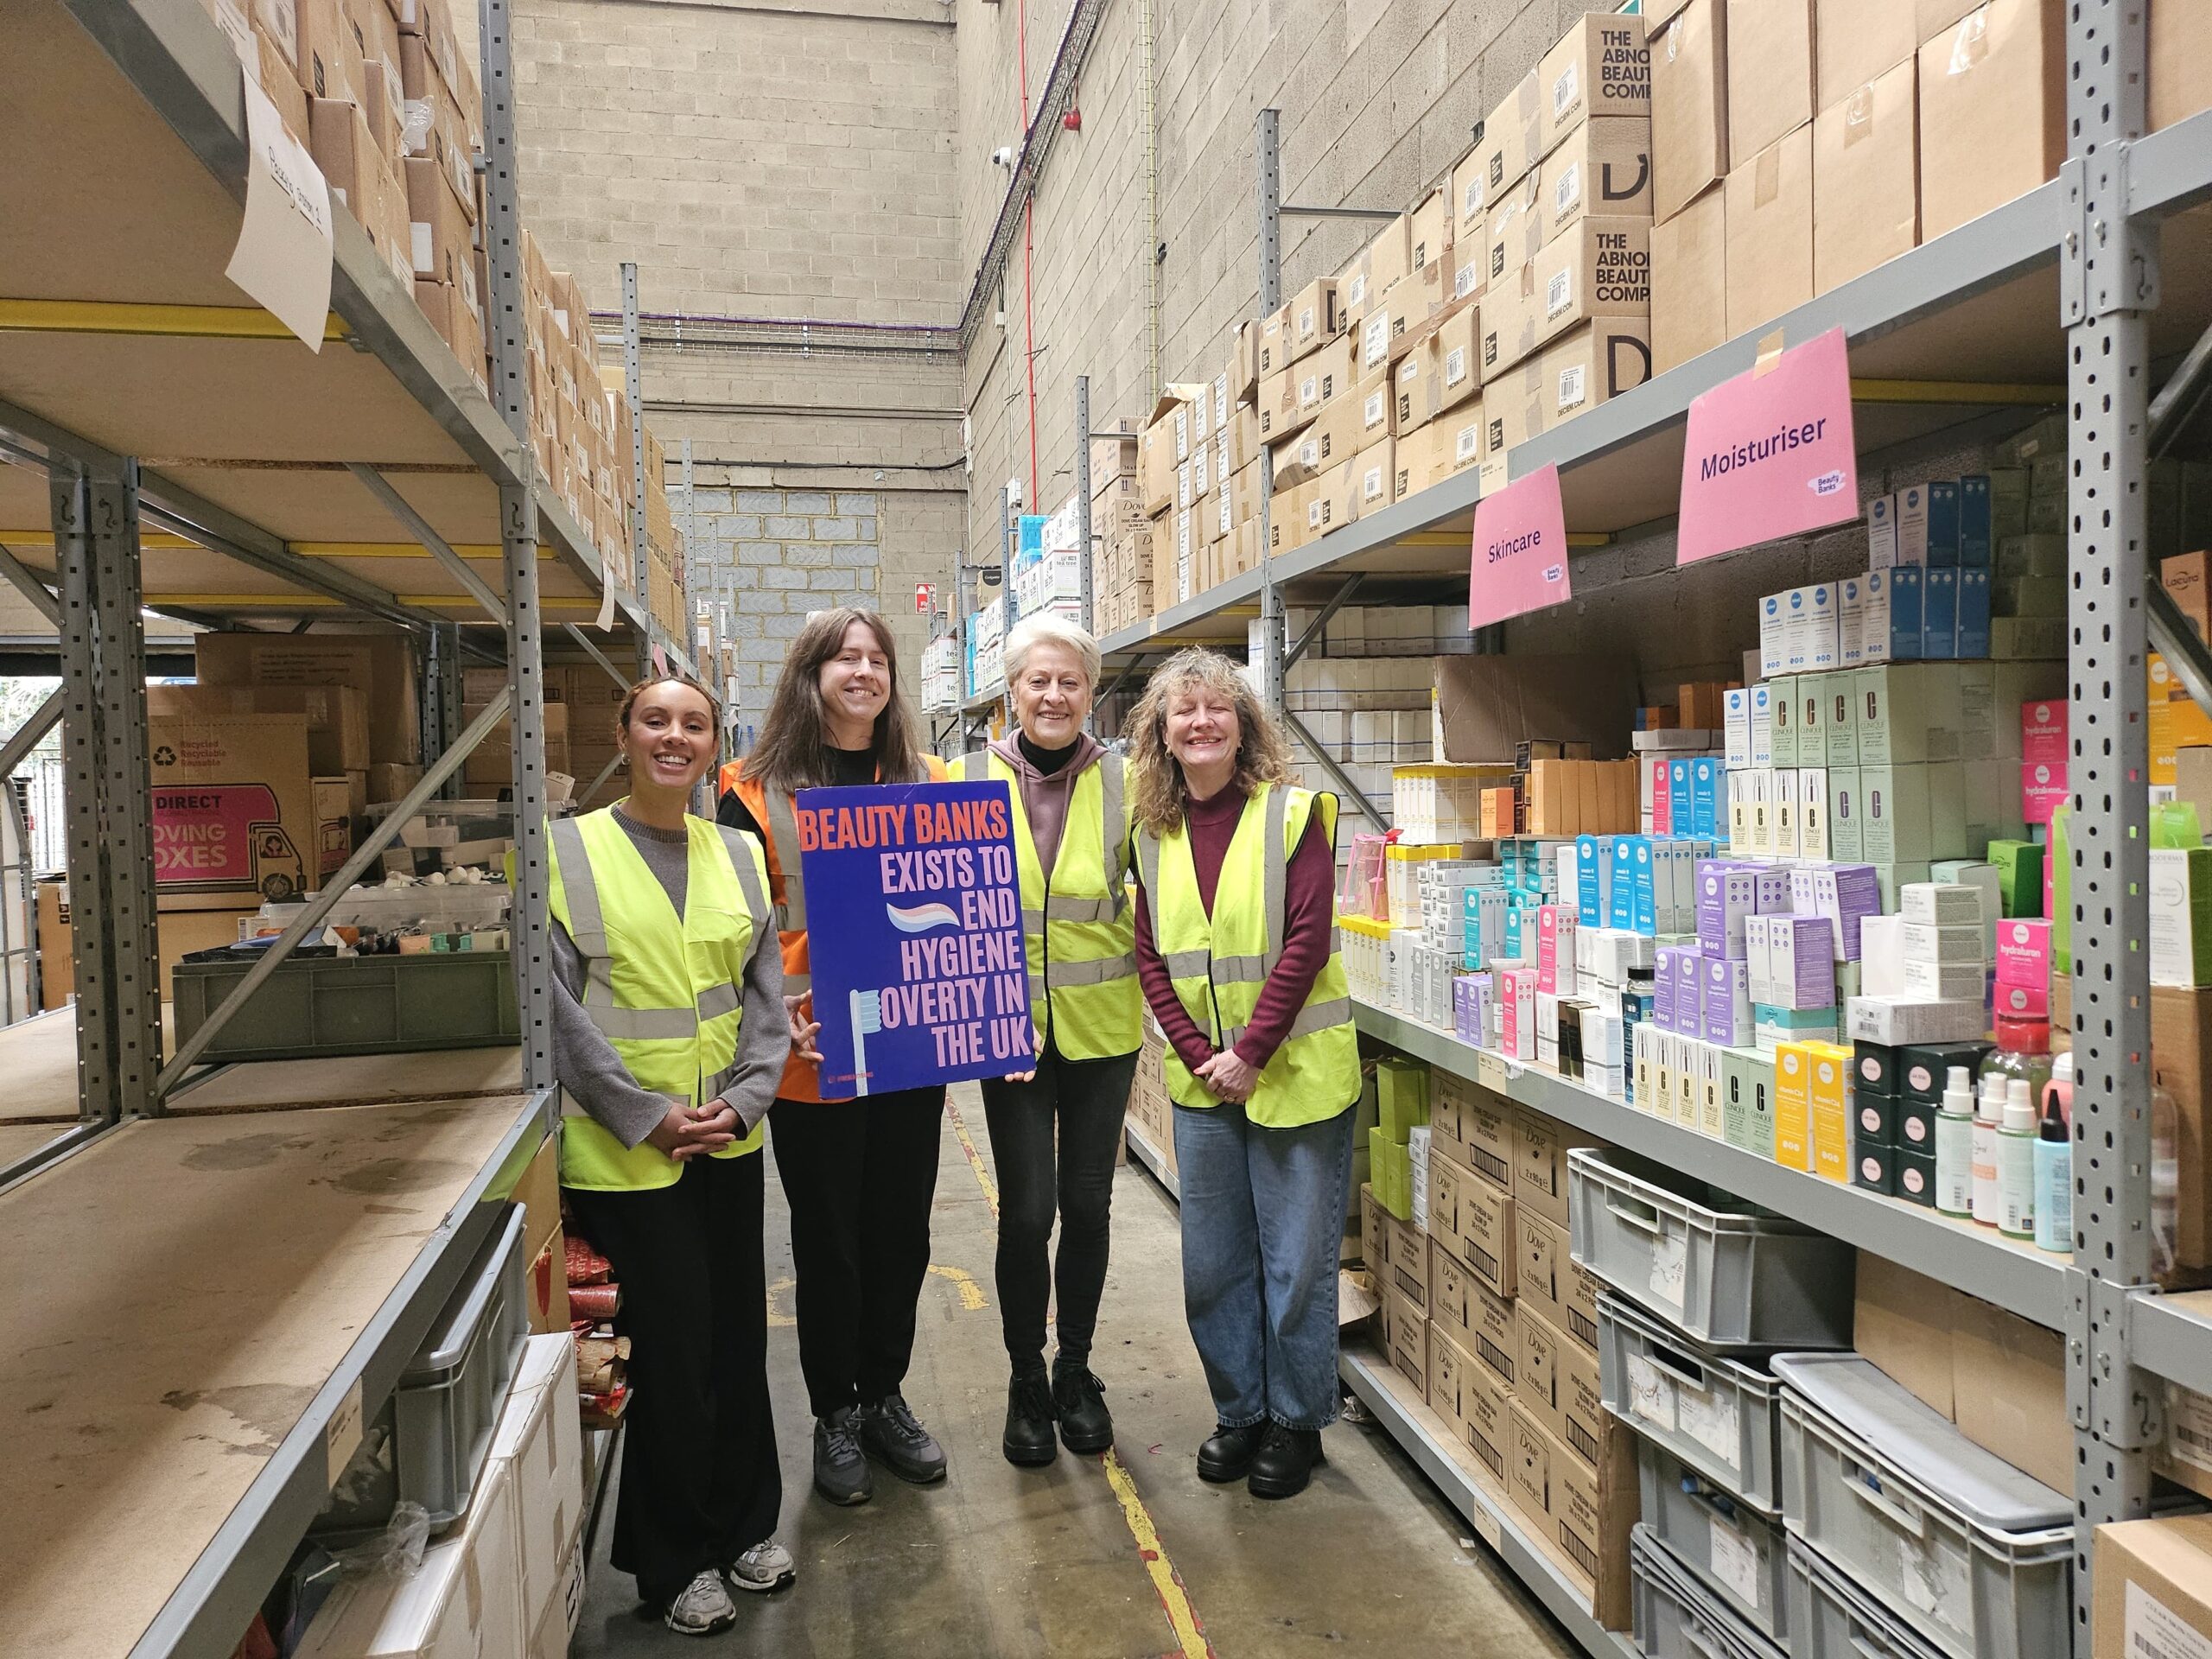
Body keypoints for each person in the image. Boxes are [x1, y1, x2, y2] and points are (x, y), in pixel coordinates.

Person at [546, 674, 793, 1637]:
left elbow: (764, 1003)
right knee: (672, 1352)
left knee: (738, 1339)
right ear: (625, 735)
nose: (674, 737)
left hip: (728, 1144)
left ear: (710, 743)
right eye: (656, 720)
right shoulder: (569, 852)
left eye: (693, 724)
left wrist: (739, 1105)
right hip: (628, 1157)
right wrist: (642, 1114)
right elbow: (555, 1011)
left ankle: (743, 1526)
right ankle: (674, 1560)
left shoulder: (737, 852)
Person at [719, 607, 952, 1507]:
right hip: (813, 1058)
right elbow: (732, 933)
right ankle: (835, 1413)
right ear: (809, 674)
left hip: (908, 1047)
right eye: (844, 657)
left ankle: (886, 1392)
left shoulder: (927, 781)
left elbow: (957, 905)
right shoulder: (748, 790)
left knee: (902, 1231)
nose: (863, 671)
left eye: (877, 658)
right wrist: (773, 1021)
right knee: (829, 1243)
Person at [1126, 647, 1362, 1500]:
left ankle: (1297, 1424)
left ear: (1243, 724)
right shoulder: (1150, 834)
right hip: (1204, 1088)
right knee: (1213, 1265)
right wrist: (1198, 1055)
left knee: (1295, 1268)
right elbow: (1150, 954)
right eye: (1182, 711)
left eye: (1216, 709)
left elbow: (1307, 940)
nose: (1200, 723)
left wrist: (1250, 1050)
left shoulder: (1292, 815)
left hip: (1293, 1074)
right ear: (1161, 731)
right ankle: (1240, 1412)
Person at [950, 613, 1140, 1466]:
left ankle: (1076, 1371)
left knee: (1089, 1207)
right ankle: (1026, 1376)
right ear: (1011, 692)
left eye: (1069, 681)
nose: (1054, 695)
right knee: (1027, 1212)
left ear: (1088, 693)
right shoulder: (960, 781)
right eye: (1039, 681)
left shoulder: (1130, 783)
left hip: (1101, 1032)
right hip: (1006, 1031)